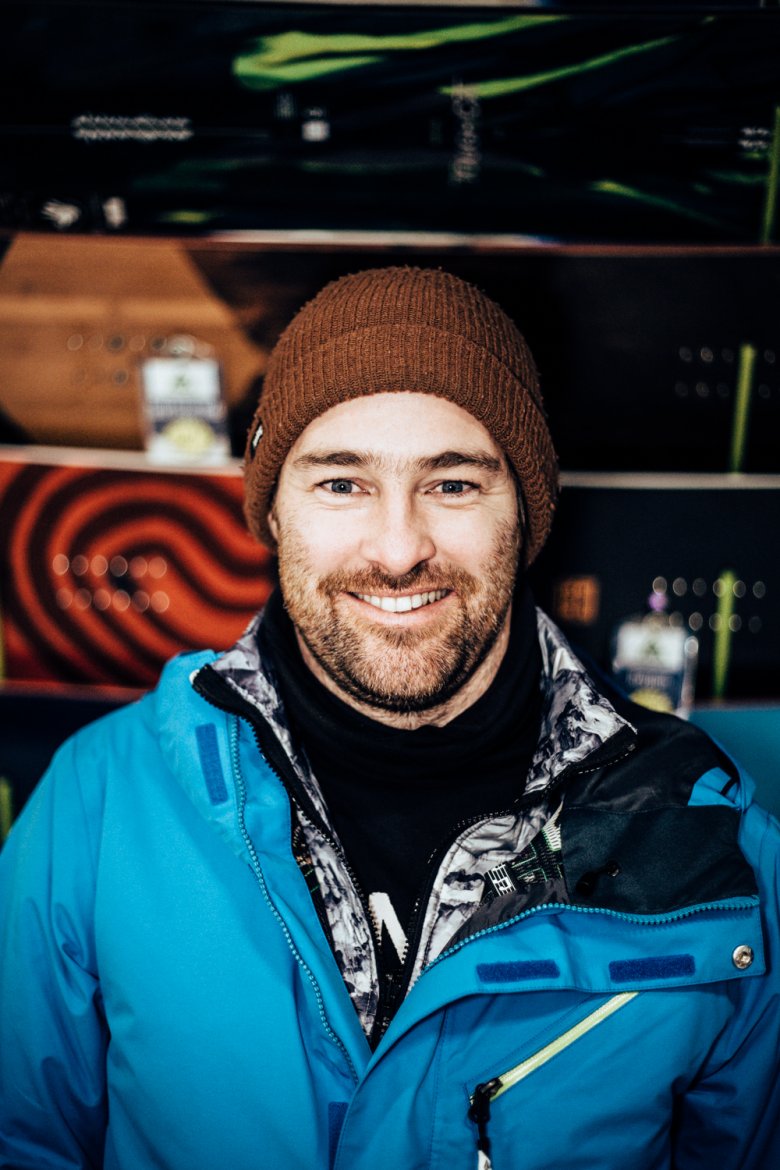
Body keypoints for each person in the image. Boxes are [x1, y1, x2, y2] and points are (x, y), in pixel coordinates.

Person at [1, 267, 778, 1170]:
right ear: (273, 514)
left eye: (453, 485)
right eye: (342, 483)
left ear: (525, 514)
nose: (400, 547)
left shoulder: (715, 849)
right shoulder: (100, 801)